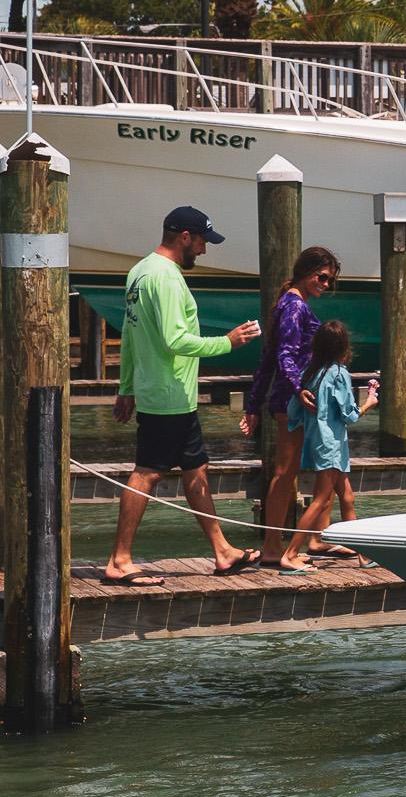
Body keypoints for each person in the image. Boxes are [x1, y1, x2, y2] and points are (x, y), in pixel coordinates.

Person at [104, 206, 264, 586]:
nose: (205, 251)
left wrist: (126, 387)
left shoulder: (139, 272)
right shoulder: (167, 278)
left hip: (162, 391)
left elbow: (130, 336)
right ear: (185, 237)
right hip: (168, 393)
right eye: (204, 241)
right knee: (147, 473)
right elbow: (176, 340)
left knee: (196, 470)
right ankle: (119, 560)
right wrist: (227, 342)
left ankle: (223, 551)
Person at [241, 246, 341, 566]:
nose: (325, 285)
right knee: (286, 472)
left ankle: (316, 537)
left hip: (297, 398)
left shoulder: (288, 303)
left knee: (317, 465)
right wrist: (298, 389)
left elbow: (267, 359)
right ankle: (274, 546)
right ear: (305, 271)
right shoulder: (295, 307)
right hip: (293, 401)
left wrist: (254, 404)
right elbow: (283, 355)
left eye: (330, 281)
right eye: (322, 277)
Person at [278, 320, 378, 571]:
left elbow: (293, 409)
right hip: (331, 443)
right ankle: (290, 554)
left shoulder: (310, 372)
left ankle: (362, 554)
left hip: (319, 440)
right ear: (344, 346)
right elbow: (350, 416)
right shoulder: (338, 373)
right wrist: (370, 402)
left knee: (347, 497)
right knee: (321, 500)